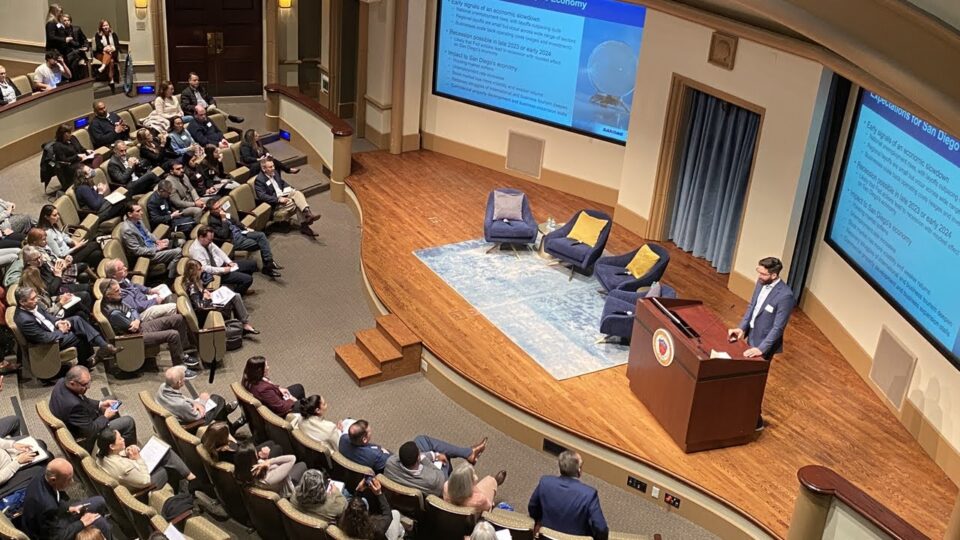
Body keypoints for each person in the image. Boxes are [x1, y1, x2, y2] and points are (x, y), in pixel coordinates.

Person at [99, 279, 200, 377]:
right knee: (173, 334)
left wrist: (137, 320)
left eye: (119, 289)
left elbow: (133, 310)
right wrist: (136, 320)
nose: (121, 292)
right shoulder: (114, 313)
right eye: (117, 291)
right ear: (108, 295)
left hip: (141, 326)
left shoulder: (117, 298)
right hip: (134, 337)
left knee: (178, 318)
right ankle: (180, 369)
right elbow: (132, 327)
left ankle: (183, 354)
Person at [14, 287, 116, 370]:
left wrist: (58, 322)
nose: (36, 300)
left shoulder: (32, 305)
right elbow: (43, 338)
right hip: (48, 343)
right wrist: (60, 331)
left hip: (53, 329)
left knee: (77, 319)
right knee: (79, 334)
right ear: (22, 302)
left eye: (35, 297)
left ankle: (104, 346)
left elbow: (48, 316)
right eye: (32, 299)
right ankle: (85, 363)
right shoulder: (24, 320)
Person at [339, 420, 487, 475]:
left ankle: (468, 453)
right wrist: (433, 456)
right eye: (370, 431)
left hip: (394, 465)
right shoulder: (378, 456)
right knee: (442, 455)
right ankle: (467, 455)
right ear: (365, 439)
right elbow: (402, 461)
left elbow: (347, 426)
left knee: (421, 440)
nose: (372, 431)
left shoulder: (343, 440)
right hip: (404, 468)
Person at [22, 458, 111, 540]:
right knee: (101, 523)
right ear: (53, 480)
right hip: (48, 533)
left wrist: (68, 508)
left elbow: (55, 498)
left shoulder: (43, 475)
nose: (72, 482)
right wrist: (82, 523)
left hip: (54, 517)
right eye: (68, 479)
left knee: (99, 501)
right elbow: (56, 537)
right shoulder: (48, 506)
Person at [50, 365, 135, 450]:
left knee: (109, 401)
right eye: (85, 384)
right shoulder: (73, 405)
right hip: (85, 437)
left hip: (81, 420)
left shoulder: (62, 382)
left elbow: (82, 400)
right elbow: (91, 431)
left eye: (89, 382)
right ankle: (129, 452)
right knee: (128, 422)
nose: (89, 387)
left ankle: (117, 441)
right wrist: (105, 417)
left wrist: (101, 404)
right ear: (72, 383)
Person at [528, 450, 608, 540]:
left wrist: (539, 522)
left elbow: (532, 507)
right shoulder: (589, 494)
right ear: (579, 470)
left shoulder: (545, 482)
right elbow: (601, 528)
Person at [728, 256, 796, 360]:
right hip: (751, 334)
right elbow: (752, 306)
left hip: (764, 343)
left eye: (763, 274)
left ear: (774, 275)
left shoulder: (785, 296)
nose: (759, 276)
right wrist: (741, 327)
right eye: (759, 272)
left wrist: (761, 348)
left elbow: (778, 327)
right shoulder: (761, 282)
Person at [205, 197, 282, 277]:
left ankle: (268, 262)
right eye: (217, 208)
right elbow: (224, 234)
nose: (220, 209)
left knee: (261, 235)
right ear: (211, 211)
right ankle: (268, 267)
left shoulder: (222, 212)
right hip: (234, 240)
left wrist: (245, 228)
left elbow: (235, 222)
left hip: (241, 232)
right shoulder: (212, 222)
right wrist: (223, 219)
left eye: (220, 206)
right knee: (262, 244)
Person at [182, 259, 257, 333]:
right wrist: (207, 298)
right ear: (193, 271)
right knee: (233, 298)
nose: (202, 270)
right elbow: (200, 306)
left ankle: (244, 323)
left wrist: (204, 291)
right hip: (205, 310)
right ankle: (243, 324)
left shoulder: (195, 280)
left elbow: (200, 291)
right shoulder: (192, 287)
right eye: (199, 269)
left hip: (208, 302)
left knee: (235, 295)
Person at [254, 159, 321, 237]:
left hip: (283, 194)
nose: (273, 168)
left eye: (273, 166)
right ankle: (305, 225)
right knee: (296, 203)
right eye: (270, 167)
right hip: (274, 203)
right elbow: (262, 196)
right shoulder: (259, 180)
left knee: (297, 193)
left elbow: (282, 183)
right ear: (264, 169)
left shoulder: (274, 173)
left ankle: (308, 213)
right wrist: (278, 199)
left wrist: (290, 188)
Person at [118, 202, 182, 278]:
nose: (141, 213)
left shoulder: (138, 220)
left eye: (141, 210)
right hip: (147, 255)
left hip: (153, 245)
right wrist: (157, 248)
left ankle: (171, 266)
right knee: (178, 251)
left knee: (181, 242)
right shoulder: (127, 230)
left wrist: (157, 241)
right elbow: (136, 250)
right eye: (138, 211)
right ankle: (170, 276)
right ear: (130, 214)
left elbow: (147, 233)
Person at [156, 365, 237, 425]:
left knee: (217, 406)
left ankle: (224, 413)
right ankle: (225, 414)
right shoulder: (181, 404)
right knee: (217, 400)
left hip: (180, 413)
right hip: (193, 424)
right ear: (179, 382)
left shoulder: (162, 387)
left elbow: (181, 397)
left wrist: (195, 403)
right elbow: (197, 416)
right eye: (184, 377)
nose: (185, 378)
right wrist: (202, 401)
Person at [102, 258, 178, 321]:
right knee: (173, 307)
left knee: (163, 286)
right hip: (141, 312)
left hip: (144, 299)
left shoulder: (122, 279)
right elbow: (137, 307)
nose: (126, 269)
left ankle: (169, 304)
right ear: (114, 275)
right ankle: (173, 313)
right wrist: (155, 301)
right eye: (121, 269)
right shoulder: (118, 290)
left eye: (124, 266)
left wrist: (149, 290)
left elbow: (135, 285)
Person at [189, 225, 257, 295]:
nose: (211, 242)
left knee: (252, 264)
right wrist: (223, 270)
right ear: (201, 237)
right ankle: (237, 294)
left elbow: (219, 251)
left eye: (212, 239)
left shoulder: (207, 242)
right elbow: (206, 268)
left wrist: (229, 262)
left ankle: (241, 287)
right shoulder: (196, 251)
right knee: (248, 279)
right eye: (209, 240)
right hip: (217, 273)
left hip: (224, 265)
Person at [337, 477, 404, 540]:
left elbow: (353, 508)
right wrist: (379, 493)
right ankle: (401, 534)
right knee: (395, 514)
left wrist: (358, 491)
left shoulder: (341, 520)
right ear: (366, 514)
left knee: (363, 500)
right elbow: (388, 515)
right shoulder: (376, 528)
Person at [39, 204, 103, 268]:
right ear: (46, 217)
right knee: (94, 244)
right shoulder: (47, 234)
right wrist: (76, 247)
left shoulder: (53, 225)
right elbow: (59, 255)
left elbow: (63, 236)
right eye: (55, 215)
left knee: (97, 254)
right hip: (67, 259)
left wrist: (73, 242)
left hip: (70, 251)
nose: (58, 217)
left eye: (58, 214)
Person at [233, 440, 305, 496]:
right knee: (302, 464)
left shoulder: (242, 472)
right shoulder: (268, 478)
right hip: (285, 487)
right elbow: (292, 458)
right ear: (252, 460)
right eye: (255, 451)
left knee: (276, 448)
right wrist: (269, 461)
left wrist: (263, 460)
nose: (257, 451)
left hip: (271, 480)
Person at [20, 266, 86, 321]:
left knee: (81, 310)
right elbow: (47, 313)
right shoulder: (33, 296)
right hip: (54, 316)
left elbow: (48, 298)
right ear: (35, 279)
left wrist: (59, 297)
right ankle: (92, 317)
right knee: (79, 302)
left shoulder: (39, 287)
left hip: (55, 306)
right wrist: (61, 302)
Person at [200, 421, 281, 463]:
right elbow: (248, 461)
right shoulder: (231, 451)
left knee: (270, 442)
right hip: (252, 462)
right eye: (228, 433)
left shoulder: (208, 442)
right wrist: (262, 456)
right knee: (277, 448)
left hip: (247, 455)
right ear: (223, 439)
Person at [92, 19, 120, 93]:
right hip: (100, 53)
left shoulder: (113, 34)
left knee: (111, 60)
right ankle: (111, 80)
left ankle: (102, 67)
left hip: (112, 53)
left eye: (107, 25)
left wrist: (112, 48)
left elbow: (117, 46)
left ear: (109, 26)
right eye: (104, 25)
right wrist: (105, 48)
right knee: (110, 59)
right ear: (101, 27)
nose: (105, 27)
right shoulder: (98, 35)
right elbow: (98, 46)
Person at [59, 13, 89, 81]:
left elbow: (85, 40)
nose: (66, 22)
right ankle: (75, 81)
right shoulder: (60, 32)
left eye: (68, 20)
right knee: (72, 60)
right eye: (64, 20)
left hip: (79, 52)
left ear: (70, 21)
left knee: (75, 58)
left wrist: (86, 47)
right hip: (67, 54)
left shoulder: (77, 29)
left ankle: (79, 81)